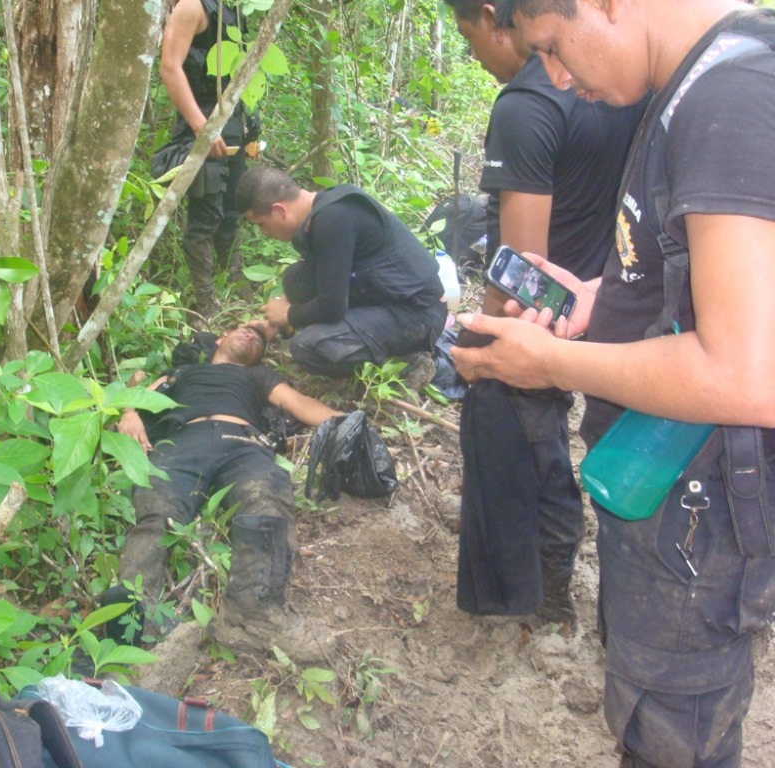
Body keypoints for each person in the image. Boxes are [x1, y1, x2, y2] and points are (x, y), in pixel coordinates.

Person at [452, 0, 775, 764]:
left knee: (674, 736)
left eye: (556, 47)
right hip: (667, 478)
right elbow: (721, 292)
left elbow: (745, 370)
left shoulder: (728, 96)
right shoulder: (692, 85)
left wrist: (550, 363)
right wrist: (607, 298)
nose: (558, 78)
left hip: (701, 511)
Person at [445, 0, 646, 629]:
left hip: (551, 315)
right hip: (619, 299)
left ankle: (547, 596)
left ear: (491, 17)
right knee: (629, 470)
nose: (475, 57)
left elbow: (519, 268)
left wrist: (478, 338)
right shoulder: (628, 84)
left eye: (469, 36)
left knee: (536, 449)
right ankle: (623, 622)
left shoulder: (528, 105)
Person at [114, 322, 341, 660]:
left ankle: (255, 615)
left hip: (242, 444)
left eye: (259, 341)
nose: (251, 335)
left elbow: (300, 404)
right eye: (243, 330)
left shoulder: (258, 377)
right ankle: (131, 620)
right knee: (157, 511)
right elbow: (135, 399)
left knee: (264, 498)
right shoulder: (181, 372)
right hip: (181, 442)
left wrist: (347, 421)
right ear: (219, 338)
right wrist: (129, 414)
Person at [234, 166, 448, 378]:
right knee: (296, 279)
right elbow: (324, 277)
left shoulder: (332, 218)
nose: (264, 232)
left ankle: (406, 362)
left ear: (279, 210)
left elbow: (332, 306)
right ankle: (366, 334)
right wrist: (276, 325)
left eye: (262, 224)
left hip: (417, 314)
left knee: (307, 347)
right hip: (386, 293)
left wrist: (289, 314)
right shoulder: (325, 208)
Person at [159, 0, 258, 318]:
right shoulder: (191, 7)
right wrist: (201, 127)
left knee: (232, 209)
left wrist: (249, 124)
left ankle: (236, 285)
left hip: (232, 124)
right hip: (200, 122)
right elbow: (170, 67)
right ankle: (207, 304)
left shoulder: (235, 10)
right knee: (206, 217)